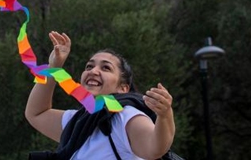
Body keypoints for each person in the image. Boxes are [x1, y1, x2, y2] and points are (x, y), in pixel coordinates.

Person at [25, 32, 175, 159]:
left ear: (123, 88)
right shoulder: (77, 121)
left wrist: (165, 115)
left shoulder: (125, 116)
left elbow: (155, 148)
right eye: (89, 66)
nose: (93, 71)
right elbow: (36, 113)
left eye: (106, 68)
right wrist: (54, 67)